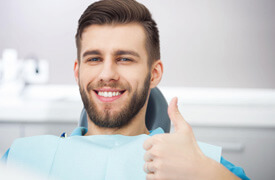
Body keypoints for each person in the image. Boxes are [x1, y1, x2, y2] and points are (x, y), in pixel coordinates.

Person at [1, 0, 250, 179]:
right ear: (77, 72)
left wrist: (205, 173)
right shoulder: (22, 158)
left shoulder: (201, 164)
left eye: (124, 59)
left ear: (154, 74)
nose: (107, 74)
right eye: (94, 59)